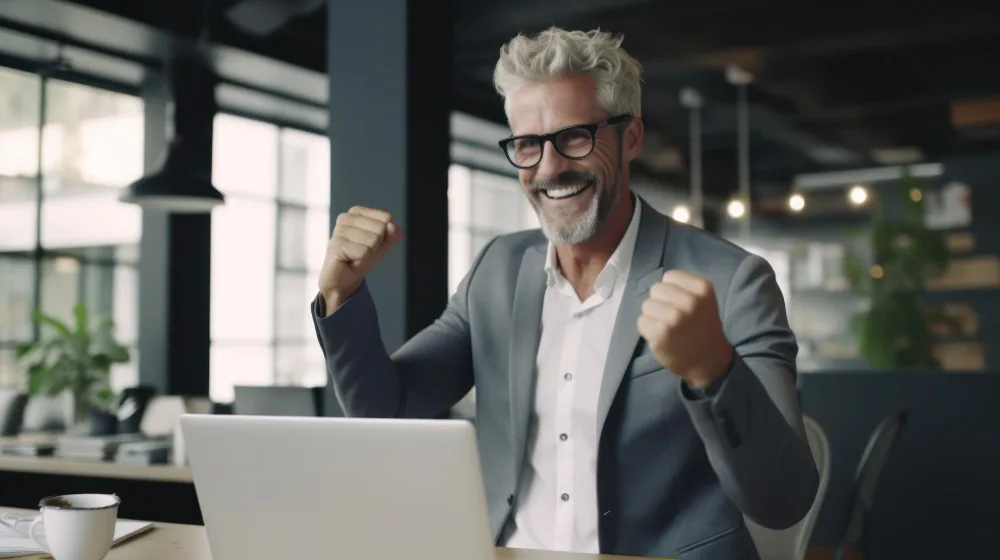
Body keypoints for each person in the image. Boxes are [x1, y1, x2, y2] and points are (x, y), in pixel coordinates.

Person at [311, 27, 818, 560]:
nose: (549, 168)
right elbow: (389, 409)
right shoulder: (497, 270)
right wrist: (340, 293)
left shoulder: (734, 280)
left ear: (631, 138)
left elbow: (783, 501)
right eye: (528, 145)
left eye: (575, 136)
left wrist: (713, 371)